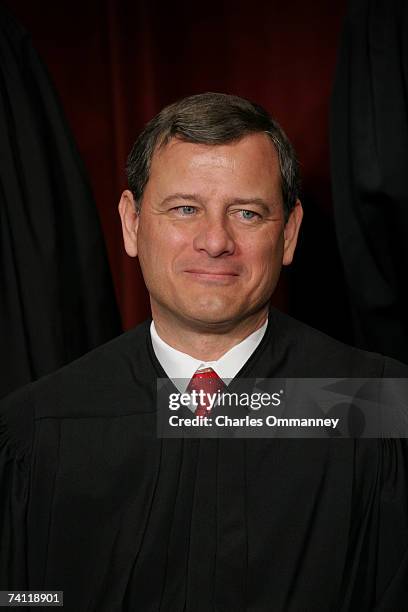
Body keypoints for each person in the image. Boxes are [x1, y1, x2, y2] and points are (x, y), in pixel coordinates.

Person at [1, 92, 407, 611]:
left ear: (289, 234)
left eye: (247, 212)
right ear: (132, 223)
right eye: (185, 208)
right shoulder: (37, 429)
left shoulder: (374, 412)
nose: (215, 241)